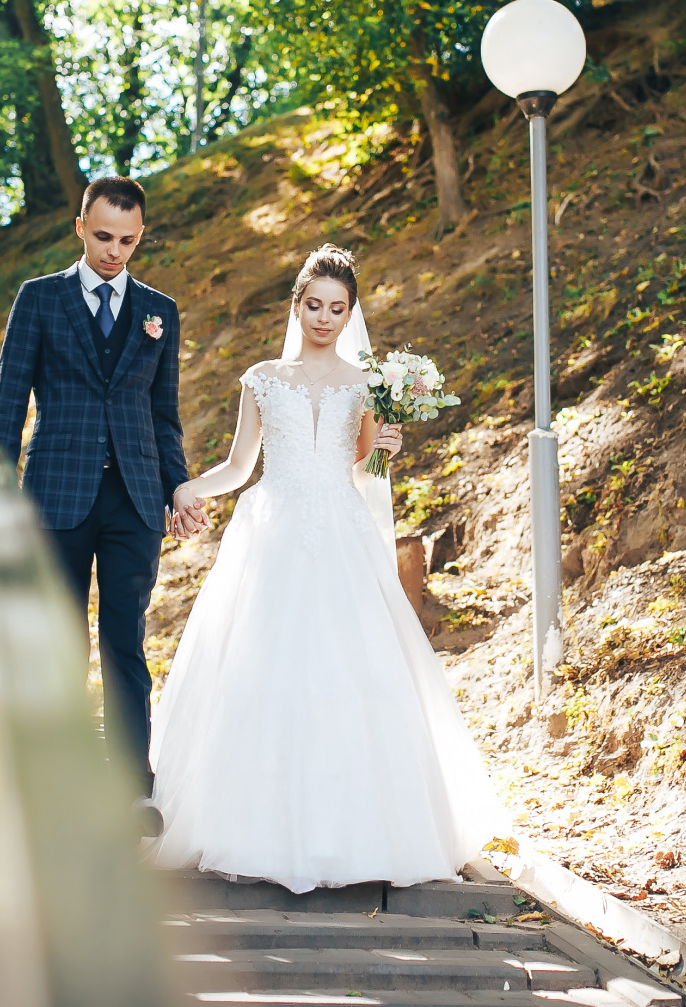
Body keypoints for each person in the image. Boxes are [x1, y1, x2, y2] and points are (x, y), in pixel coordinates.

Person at [148, 244, 502, 891]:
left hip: (339, 531)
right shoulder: (261, 379)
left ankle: (360, 835)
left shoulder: (365, 386)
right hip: (273, 529)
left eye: (337, 309)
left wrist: (386, 444)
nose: (324, 318)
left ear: (349, 314)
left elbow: (365, 469)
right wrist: (189, 488)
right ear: (297, 305)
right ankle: (254, 831)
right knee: (265, 672)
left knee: (354, 673)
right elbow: (239, 466)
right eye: (314, 305)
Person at [0, 176, 208, 810]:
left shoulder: (158, 309)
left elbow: (164, 415)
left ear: (141, 237)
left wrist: (177, 487)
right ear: (80, 226)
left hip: (135, 500)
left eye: (129, 240)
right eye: (105, 236)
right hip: (55, 493)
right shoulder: (38, 300)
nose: (115, 251)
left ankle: (132, 785)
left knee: (124, 640)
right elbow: (9, 403)